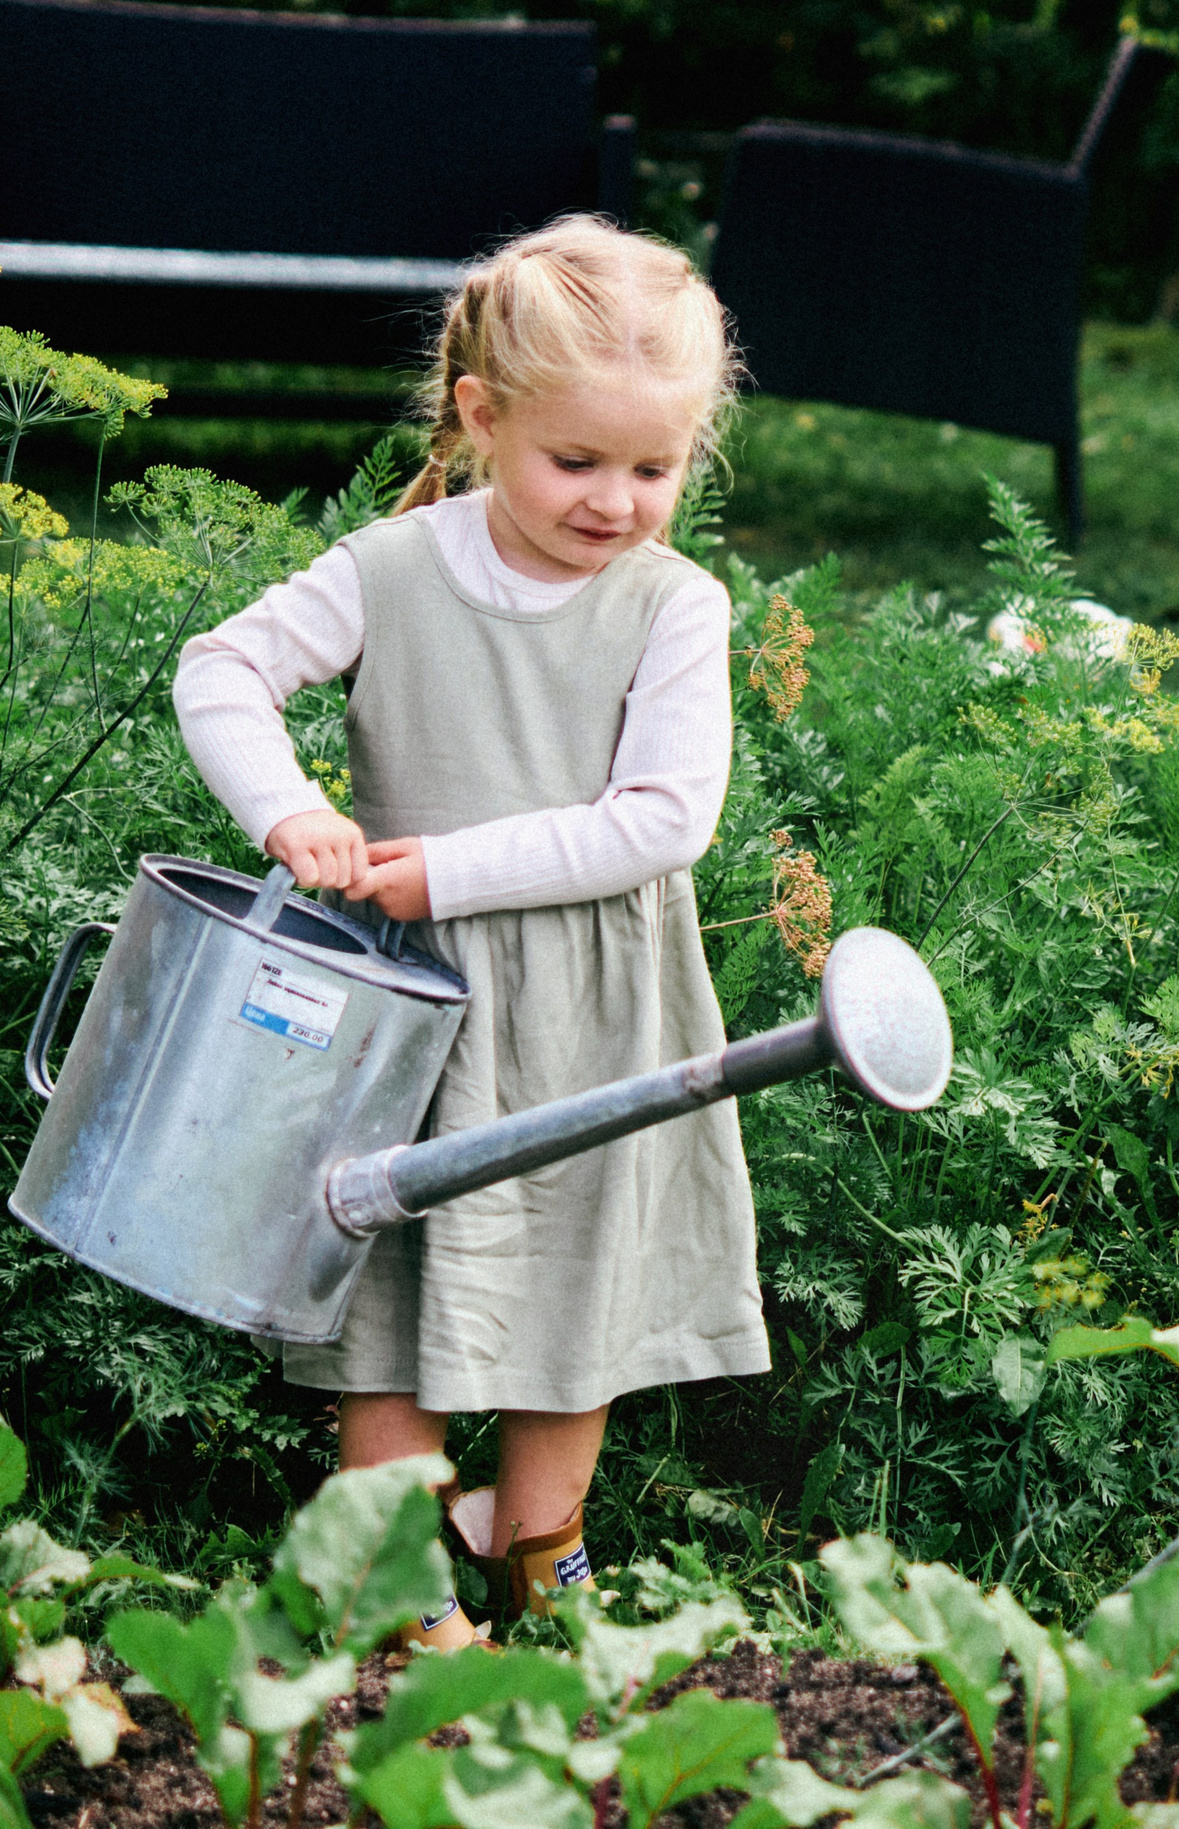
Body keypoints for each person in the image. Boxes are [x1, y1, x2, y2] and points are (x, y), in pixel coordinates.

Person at [173, 216, 764, 1647]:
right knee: (392, 1282)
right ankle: (389, 1579)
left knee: (580, 1285)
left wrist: (443, 867)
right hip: (412, 1010)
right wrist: (288, 813)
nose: (617, 502)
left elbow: (662, 820)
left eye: (654, 467)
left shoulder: (672, 605)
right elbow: (222, 668)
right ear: (482, 416)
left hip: (597, 1008)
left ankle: (538, 1548)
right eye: (578, 461)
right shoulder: (394, 569)